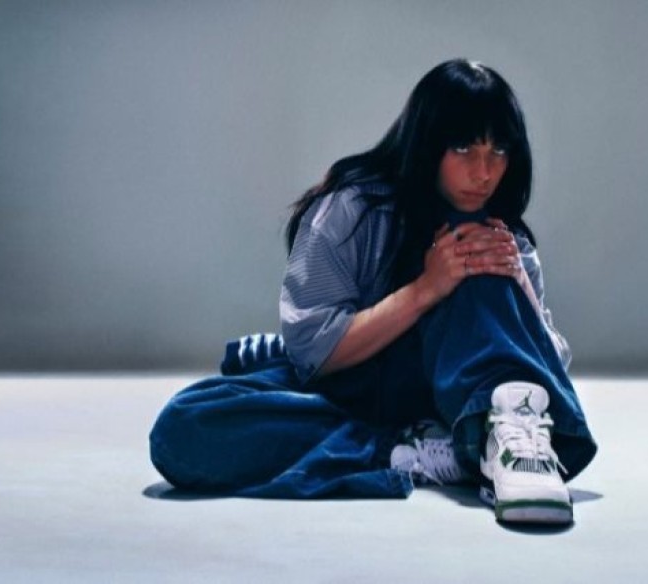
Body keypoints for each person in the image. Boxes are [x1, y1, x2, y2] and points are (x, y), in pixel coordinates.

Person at [149, 58, 597, 525]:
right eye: (463, 148)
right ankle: (417, 453)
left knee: (477, 250)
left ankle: (502, 448)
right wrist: (426, 288)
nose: (483, 172)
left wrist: (517, 282)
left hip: (465, 393)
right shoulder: (351, 210)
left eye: (498, 150)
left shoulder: (503, 240)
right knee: (184, 428)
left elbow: (547, 371)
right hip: (359, 390)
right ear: (427, 144)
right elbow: (314, 353)